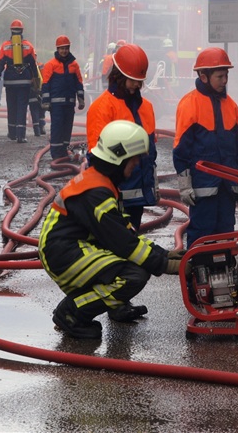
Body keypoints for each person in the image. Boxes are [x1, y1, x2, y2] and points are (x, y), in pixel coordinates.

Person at [38, 120, 183, 339]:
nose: (136, 163)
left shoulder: (103, 182)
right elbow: (123, 243)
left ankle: (110, 305)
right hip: (64, 253)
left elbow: (125, 232)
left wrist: (163, 253)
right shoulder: (95, 192)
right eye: (134, 159)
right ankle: (72, 313)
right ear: (119, 158)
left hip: (72, 247)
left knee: (131, 264)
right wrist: (166, 265)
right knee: (134, 275)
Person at [173, 47, 238, 248]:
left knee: (227, 237)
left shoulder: (231, 105)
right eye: (220, 76)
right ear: (204, 76)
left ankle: (226, 269)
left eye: (226, 76)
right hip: (202, 189)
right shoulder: (189, 104)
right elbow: (181, 149)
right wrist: (185, 184)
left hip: (227, 188)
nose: (225, 81)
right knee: (201, 238)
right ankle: (198, 270)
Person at [86, 43, 157, 231]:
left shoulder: (146, 107)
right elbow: (96, 157)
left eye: (139, 81)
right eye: (132, 80)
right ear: (119, 75)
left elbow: (150, 150)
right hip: (113, 197)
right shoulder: (102, 107)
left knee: (132, 240)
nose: (137, 85)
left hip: (137, 196)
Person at [0, 19, 38, 143]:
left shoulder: (5, 46)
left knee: (11, 107)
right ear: (22, 31)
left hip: (10, 81)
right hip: (24, 81)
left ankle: (12, 133)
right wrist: (36, 81)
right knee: (22, 107)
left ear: (11, 31)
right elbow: (33, 65)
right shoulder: (28, 46)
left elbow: (0, 64)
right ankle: (21, 135)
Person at [41, 35, 85, 159]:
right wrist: (46, 101)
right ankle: (56, 154)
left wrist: (81, 99)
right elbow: (46, 84)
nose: (64, 51)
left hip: (69, 103)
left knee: (67, 128)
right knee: (57, 128)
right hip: (56, 105)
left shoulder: (74, 65)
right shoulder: (51, 65)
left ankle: (65, 152)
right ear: (57, 49)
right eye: (62, 48)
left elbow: (79, 83)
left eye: (66, 48)